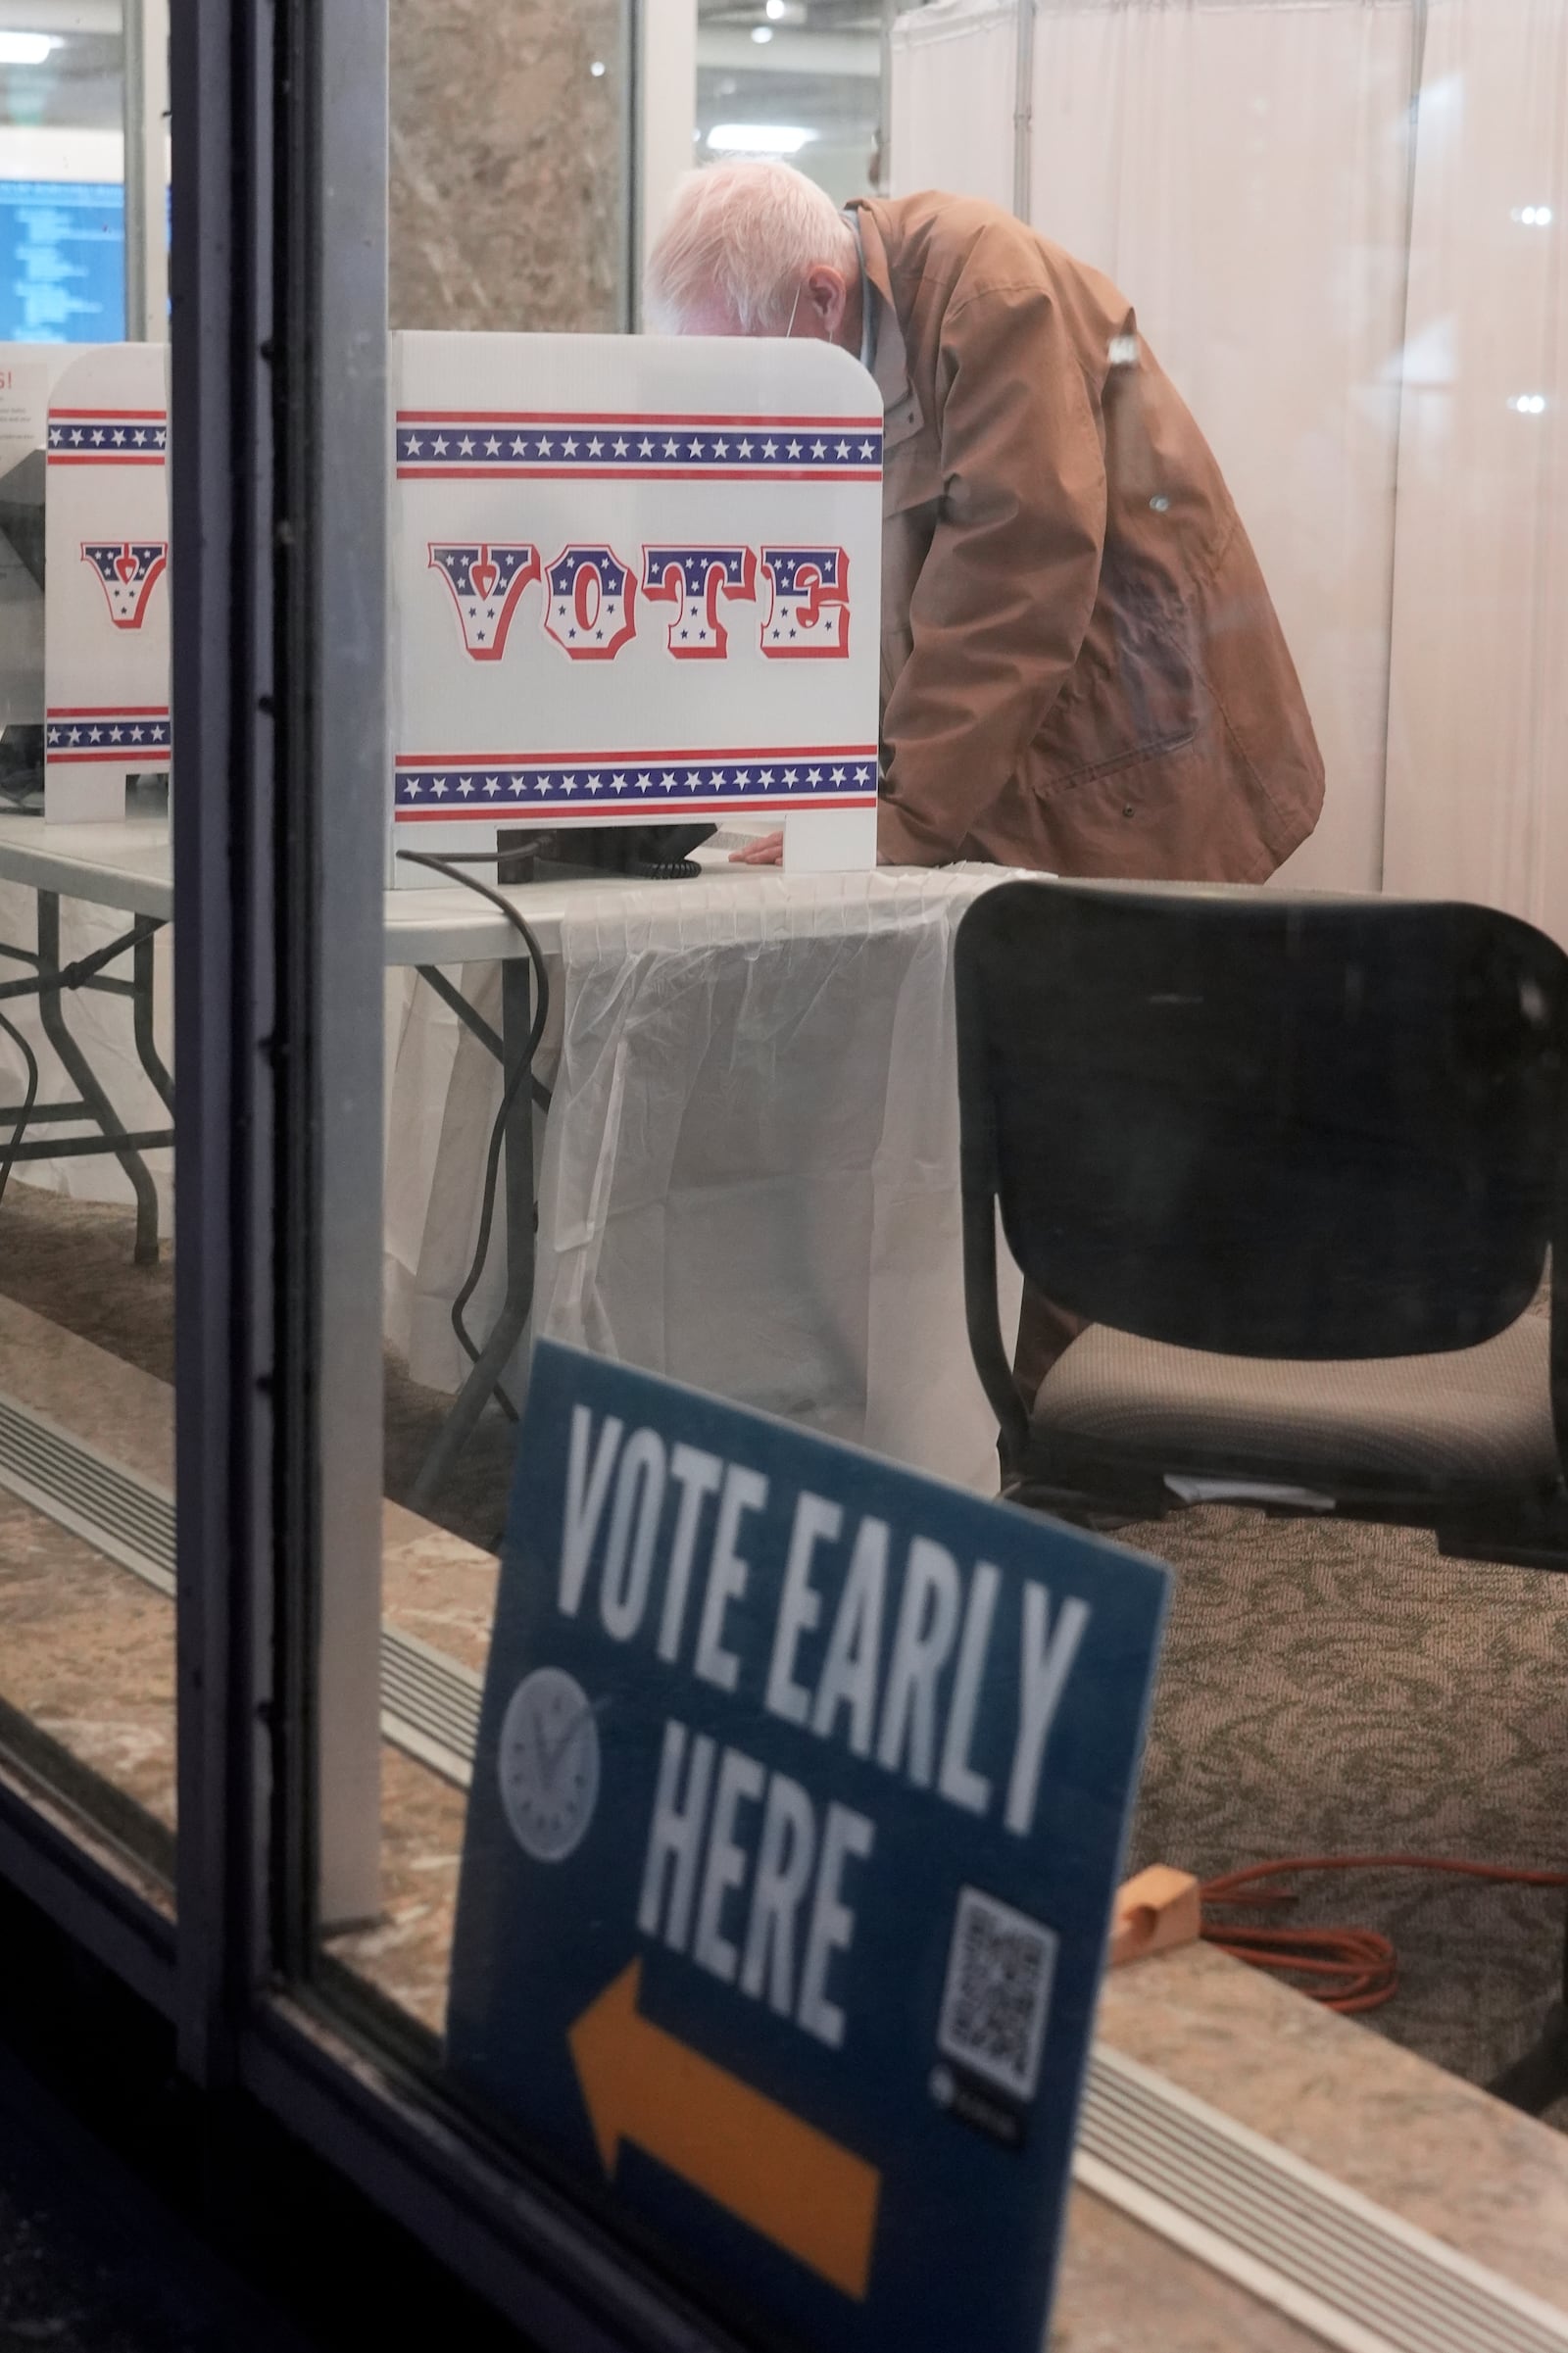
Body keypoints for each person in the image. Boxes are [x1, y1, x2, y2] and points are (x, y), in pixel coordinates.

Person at [645, 162, 1325, 877]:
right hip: (1006, 763)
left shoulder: (990, 297)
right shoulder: (833, 344)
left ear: (822, 294)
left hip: (1130, 755)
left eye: (751, 371)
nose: (754, 407)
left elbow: (1012, 586)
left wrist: (900, 819)